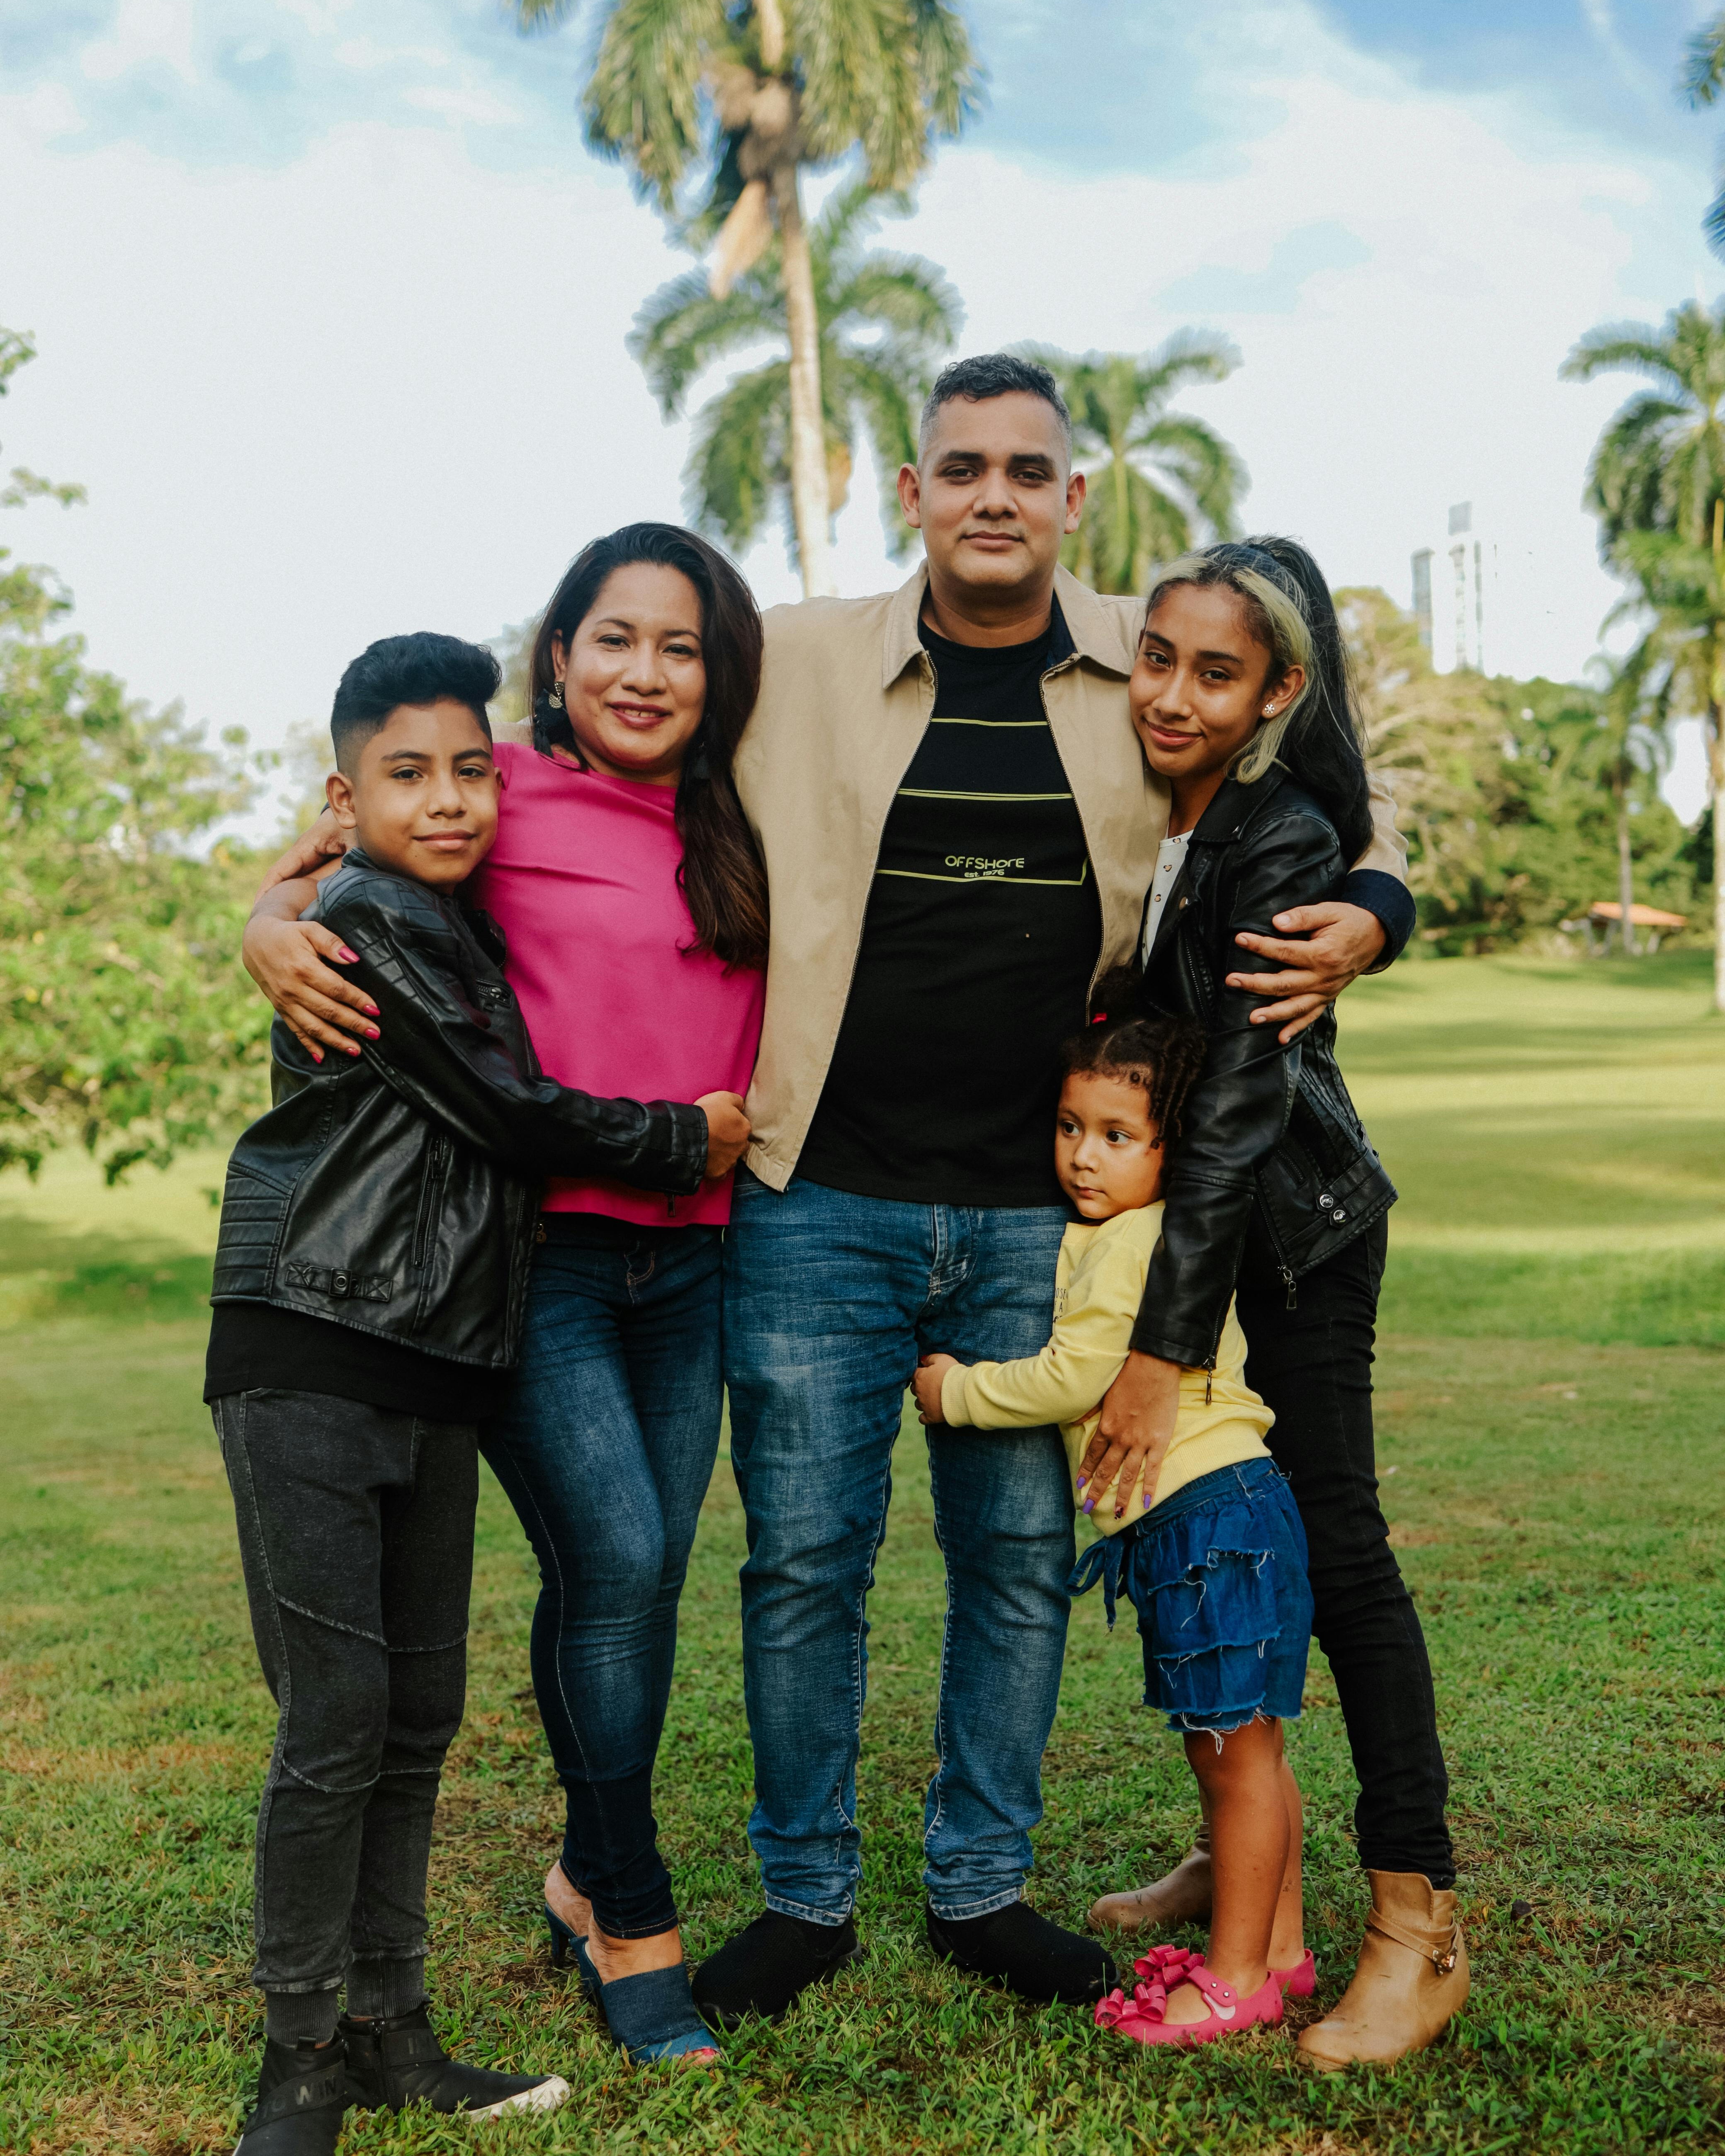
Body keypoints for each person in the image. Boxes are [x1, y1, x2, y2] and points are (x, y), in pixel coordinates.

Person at [689, 353, 1414, 2027]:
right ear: (912, 490)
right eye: (961, 467)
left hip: (1044, 1209)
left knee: (1016, 1560)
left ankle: (977, 1888)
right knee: (803, 1554)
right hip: (816, 1195)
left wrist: (1380, 900)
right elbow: (599, 721)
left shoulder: (1141, 672)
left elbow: (1295, 800)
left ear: (1070, 496)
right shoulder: (793, 659)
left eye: (1028, 468)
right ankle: (801, 1894)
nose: (994, 495)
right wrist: (313, 872)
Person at [209, 631, 745, 2151]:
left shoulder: (428, 905)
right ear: (346, 791)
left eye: (465, 771)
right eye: (404, 775)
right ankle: (300, 2059)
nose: (445, 800)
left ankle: (396, 2034)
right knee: (339, 1715)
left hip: (440, 1358)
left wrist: (273, 883)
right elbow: (509, 1110)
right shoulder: (366, 917)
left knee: (419, 1711)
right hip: (311, 1349)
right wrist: (679, 1141)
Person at [1076, 538, 1469, 2068]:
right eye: (1156, 660)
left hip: (1289, 1242)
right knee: (1215, 1544)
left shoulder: (1283, 835)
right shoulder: (1172, 812)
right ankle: (1248, 1865)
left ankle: (1414, 1925)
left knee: (1340, 1549)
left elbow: (1240, 1106)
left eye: (1216, 673)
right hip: (1204, 1243)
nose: (1171, 694)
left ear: (1279, 692)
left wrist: (1160, 1354)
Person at [911, 1003, 1315, 2049]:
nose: (1084, 1156)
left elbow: (1076, 1375)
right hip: (1219, 1511)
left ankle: (1235, 1981)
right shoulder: (1133, 1228)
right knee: (1244, 1751)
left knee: (1233, 1753)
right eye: (1069, 1126)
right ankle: (1279, 1947)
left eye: (1117, 1136)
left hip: (1207, 1516)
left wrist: (957, 1388)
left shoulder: (1134, 1240)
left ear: (1175, 1147)